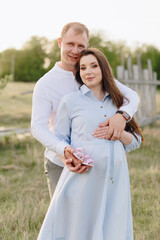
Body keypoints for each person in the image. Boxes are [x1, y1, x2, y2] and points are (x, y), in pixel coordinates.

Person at [37, 48, 143, 240]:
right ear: (78, 73)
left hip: (115, 178)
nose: (88, 72)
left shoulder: (119, 102)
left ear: (103, 69)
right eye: (83, 68)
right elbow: (61, 139)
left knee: (112, 226)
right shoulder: (70, 101)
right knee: (80, 229)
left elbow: (136, 141)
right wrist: (69, 153)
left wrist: (118, 133)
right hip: (84, 178)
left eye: (94, 66)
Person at [31, 22, 140, 199]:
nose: (75, 50)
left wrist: (122, 116)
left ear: (87, 47)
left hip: (96, 161)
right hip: (61, 161)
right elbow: (37, 127)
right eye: (70, 44)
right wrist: (63, 150)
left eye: (81, 46)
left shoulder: (94, 73)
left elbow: (132, 96)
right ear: (60, 42)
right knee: (65, 221)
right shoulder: (46, 84)